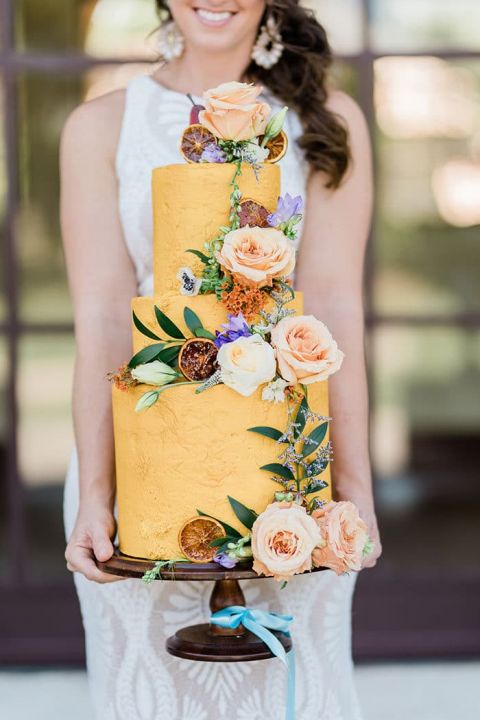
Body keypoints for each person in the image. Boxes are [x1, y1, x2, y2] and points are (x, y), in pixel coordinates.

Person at [61, 0, 382, 717]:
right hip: (143, 472)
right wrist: (94, 493)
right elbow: (106, 316)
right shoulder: (100, 126)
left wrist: (351, 489)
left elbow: (331, 305)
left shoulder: (327, 117)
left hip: (290, 469)